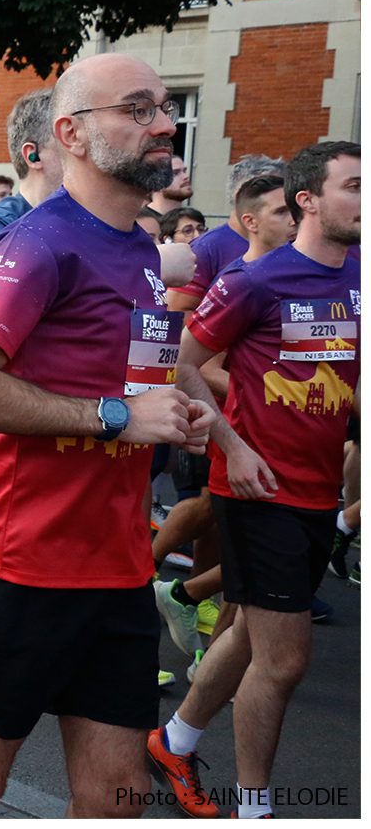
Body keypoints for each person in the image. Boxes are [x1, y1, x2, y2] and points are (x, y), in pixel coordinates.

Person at [0, 53, 214, 818]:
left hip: (118, 563)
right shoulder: (36, 243)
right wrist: (118, 417)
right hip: (24, 564)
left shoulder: (138, 248)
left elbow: (137, 373)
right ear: (73, 134)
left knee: (117, 796)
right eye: (137, 109)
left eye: (165, 107)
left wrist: (188, 416)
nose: (164, 124)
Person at [149, 142, 359, 819]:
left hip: (318, 490)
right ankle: (255, 807)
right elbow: (179, 362)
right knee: (284, 661)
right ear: (308, 200)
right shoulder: (255, 280)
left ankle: (174, 741)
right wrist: (231, 446)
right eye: (354, 186)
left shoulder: (360, 273)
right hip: (257, 490)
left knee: (248, 636)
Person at [166, 154, 284, 313]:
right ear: (240, 197)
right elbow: (178, 311)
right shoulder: (206, 248)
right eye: (267, 190)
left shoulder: (290, 243)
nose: (280, 200)